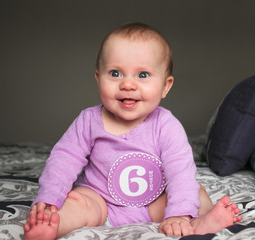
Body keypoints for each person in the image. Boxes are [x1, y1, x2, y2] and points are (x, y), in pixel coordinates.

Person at [23, 22, 242, 240]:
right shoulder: (89, 120)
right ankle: (52, 225)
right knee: (77, 202)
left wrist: (179, 214)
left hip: (153, 204)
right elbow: (64, 158)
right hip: (100, 200)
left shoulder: (166, 125)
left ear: (166, 86)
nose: (128, 84)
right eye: (116, 73)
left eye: (143, 75)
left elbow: (180, 171)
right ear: (98, 78)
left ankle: (197, 223)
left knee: (195, 193)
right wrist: (49, 197)